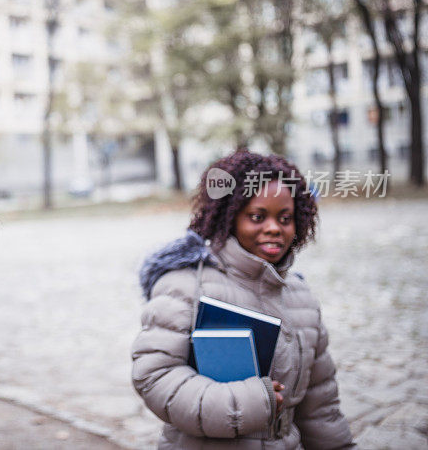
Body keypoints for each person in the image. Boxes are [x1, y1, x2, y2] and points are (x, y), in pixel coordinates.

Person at [131, 150, 355, 449]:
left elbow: (320, 407)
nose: (274, 227)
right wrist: (249, 403)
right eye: (257, 216)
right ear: (230, 217)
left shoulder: (302, 298)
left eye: (285, 218)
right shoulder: (185, 286)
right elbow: (156, 378)